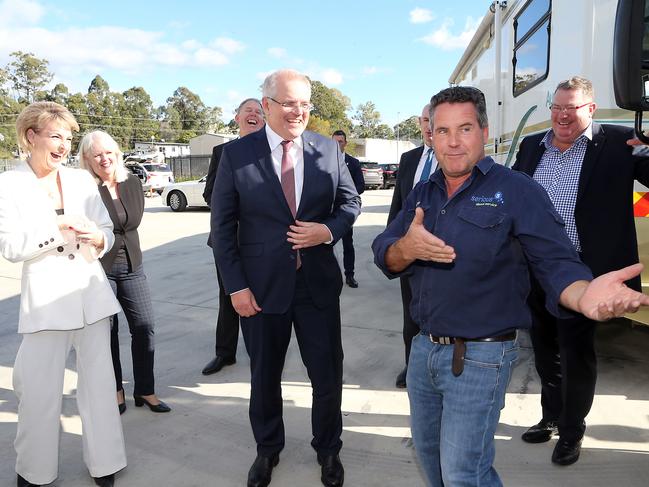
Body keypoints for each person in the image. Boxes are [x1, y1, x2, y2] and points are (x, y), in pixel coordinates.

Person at [371, 86, 649, 487]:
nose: (452, 142)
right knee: (431, 462)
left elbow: (555, 261)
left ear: (484, 130)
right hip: (422, 353)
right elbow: (384, 253)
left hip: (480, 357)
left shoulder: (517, 190)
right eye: (442, 130)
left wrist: (583, 294)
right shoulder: (423, 191)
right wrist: (405, 248)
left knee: (464, 474)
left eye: (464, 129)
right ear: (430, 135)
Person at [211, 69, 360, 487]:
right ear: (268, 106)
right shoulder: (237, 156)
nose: (298, 112)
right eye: (290, 103)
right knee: (264, 377)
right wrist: (236, 286)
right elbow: (222, 227)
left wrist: (326, 230)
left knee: (327, 375)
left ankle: (328, 450)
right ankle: (267, 449)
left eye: (306, 104)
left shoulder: (328, 150)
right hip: (258, 290)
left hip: (316, 286)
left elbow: (350, 203)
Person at [513, 76, 649, 465]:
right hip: (534, 270)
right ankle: (551, 416)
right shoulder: (530, 146)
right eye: (556, 108)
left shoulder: (620, 144)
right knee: (544, 351)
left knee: (576, 354)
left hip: (583, 273)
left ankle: (572, 431)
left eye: (571, 108)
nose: (562, 116)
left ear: (590, 108)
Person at [0, 102, 126, 487]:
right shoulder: (9, 184)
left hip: (91, 299)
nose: (63, 145)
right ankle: (34, 471)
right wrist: (57, 226)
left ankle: (105, 465)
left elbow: (107, 230)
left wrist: (99, 238)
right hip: (45, 307)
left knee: (101, 389)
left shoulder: (81, 180)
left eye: (68, 138)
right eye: (56, 136)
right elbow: (10, 246)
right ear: (31, 136)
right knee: (39, 393)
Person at [79, 130, 171, 414]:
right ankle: (115, 391)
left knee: (144, 328)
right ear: (87, 159)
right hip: (99, 268)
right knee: (108, 333)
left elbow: (132, 222)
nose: (104, 158)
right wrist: (105, 234)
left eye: (108, 152)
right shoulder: (84, 189)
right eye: (97, 154)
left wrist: (105, 233)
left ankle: (145, 390)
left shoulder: (130, 182)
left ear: (117, 154)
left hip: (132, 264)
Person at [201, 98, 265, 375]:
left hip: (263, 242)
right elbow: (210, 193)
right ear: (237, 118)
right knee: (229, 296)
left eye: (259, 112)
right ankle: (224, 353)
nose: (254, 115)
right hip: (227, 240)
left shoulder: (272, 150)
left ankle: (261, 355)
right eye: (248, 111)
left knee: (262, 298)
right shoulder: (222, 151)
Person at [387, 103, 438, 388]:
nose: (430, 127)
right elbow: (397, 205)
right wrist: (391, 244)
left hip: (442, 252)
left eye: (435, 120)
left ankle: (439, 370)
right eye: (426, 120)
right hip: (408, 252)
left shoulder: (453, 156)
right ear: (420, 123)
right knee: (411, 317)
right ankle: (412, 368)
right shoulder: (409, 158)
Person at [331, 129, 364, 288]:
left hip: (344, 211)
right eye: (334, 142)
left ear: (345, 143)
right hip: (326, 211)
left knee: (347, 244)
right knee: (325, 245)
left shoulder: (354, 163)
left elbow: (361, 185)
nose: (337, 145)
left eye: (340, 142)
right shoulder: (322, 160)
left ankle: (349, 275)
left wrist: (347, 196)